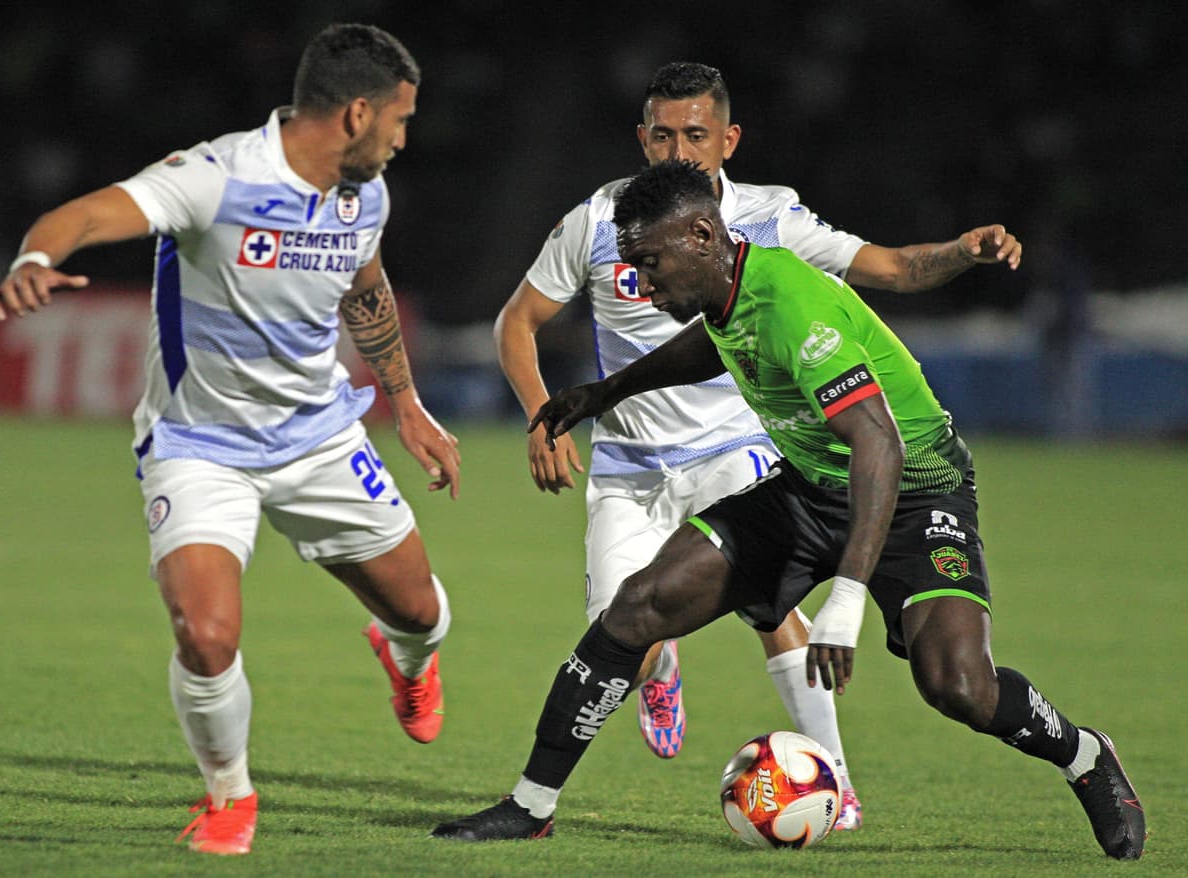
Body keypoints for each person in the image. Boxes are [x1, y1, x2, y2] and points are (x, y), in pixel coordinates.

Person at [433, 159, 1145, 861]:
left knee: (957, 685)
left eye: (651, 265)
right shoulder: (727, 291)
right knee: (638, 607)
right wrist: (605, 392)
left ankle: (1085, 754)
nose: (643, 286)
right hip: (808, 490)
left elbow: (880, 446)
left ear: (704, 238)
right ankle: (531, 806)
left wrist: (846, 598)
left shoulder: (791, 304)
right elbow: (709, 346)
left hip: (913, 495)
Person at [494, 61, 1022, 829]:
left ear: (729, 139)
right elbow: (519, 319)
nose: (679, 151)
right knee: (624, 638)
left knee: (773, 610)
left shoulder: (772, 218)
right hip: (631, 467)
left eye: (696, 135)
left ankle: (833, 783)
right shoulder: (602, 220)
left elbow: (893, 267)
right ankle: (657, 676)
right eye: (664, 134)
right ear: (641, 137)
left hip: (735, 446)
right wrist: (544, 414)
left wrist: (962, 252)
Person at [0, 23, 461, 856]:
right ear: (357, 112)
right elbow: (89, 212)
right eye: (400, 119)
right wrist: (36, 256)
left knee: (421, 611)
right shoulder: (217, 176)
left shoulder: (365, 195)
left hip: (318, 437)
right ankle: (229, 796)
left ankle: (408, 661)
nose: (401, 137)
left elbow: (367, 289)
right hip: (199, 445)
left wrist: (407, 403)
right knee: (205, 634)